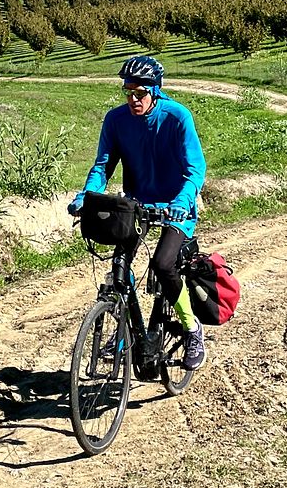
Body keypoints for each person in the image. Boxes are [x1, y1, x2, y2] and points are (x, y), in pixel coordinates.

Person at [69, 54, 208, 370]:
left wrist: (183, 201)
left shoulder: (177, 118)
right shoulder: (116, 120)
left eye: (140, 93)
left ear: (156, 90)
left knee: (162, 263)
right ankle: (123, 334)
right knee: (121, 261)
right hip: (137, 206)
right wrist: (86, 196)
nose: (133, 99)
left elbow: (195, 169)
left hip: (177, 207)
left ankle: (191, 329)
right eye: (127, 91)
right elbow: (103, 166)